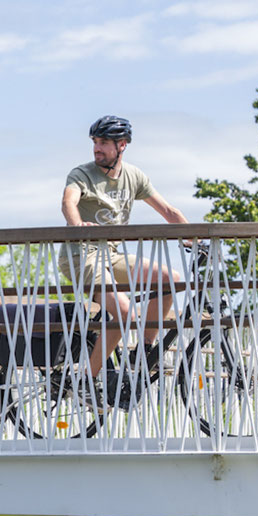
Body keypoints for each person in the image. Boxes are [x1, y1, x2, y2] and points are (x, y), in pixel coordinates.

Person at [60, 115, 188, 400]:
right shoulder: (81, 174)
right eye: (95, 142)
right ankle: (84, 380)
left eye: (104, 143)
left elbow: (168, 211)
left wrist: (198, 238)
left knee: (170, 279)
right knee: (126, 311)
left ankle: (142, 351)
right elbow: (68, 201)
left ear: (122, 145)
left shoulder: (134, 176)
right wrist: (77, 224)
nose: (97, 148)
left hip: (112, 255)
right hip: (83, 256)